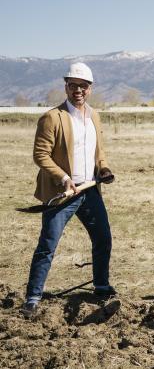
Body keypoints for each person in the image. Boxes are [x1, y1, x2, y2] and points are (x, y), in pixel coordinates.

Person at [22, 62, 116, 319]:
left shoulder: (94, 116)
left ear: (90, 89)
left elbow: (99, 153)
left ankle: (101, 286)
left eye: (83, 86)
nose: (78, 90)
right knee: (48, 245)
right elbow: (40, 155)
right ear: (66, 86)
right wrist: (63, 177)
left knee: (103, 238)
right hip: (62, 193)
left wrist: (104, 169)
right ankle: (32, 297)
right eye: (73, 85)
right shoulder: (53, 117)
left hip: (89, 190)